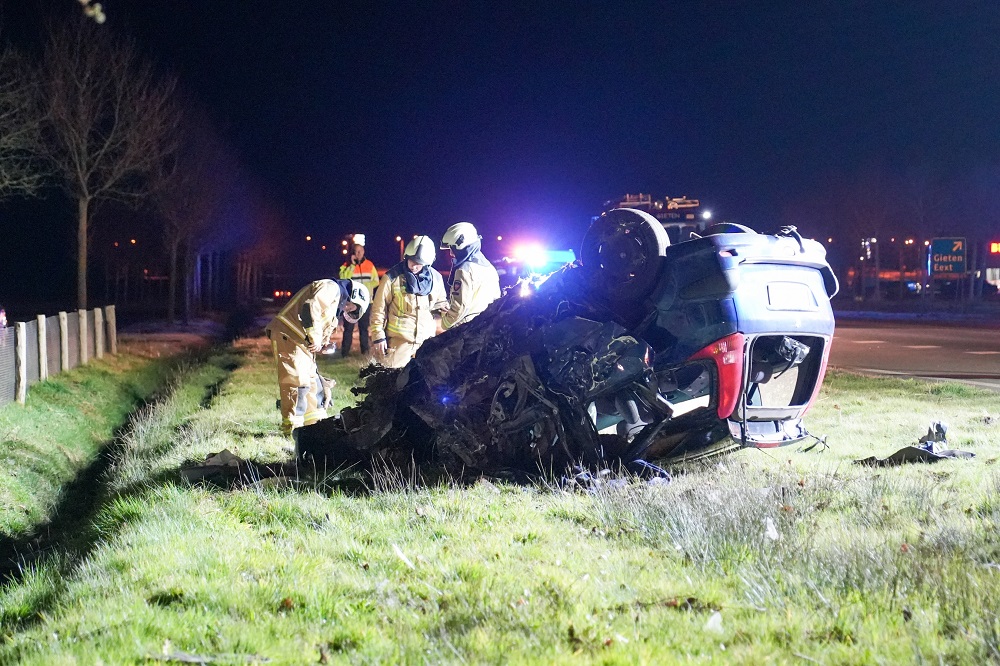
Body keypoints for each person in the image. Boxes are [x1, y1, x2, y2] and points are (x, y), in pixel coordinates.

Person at [264, 279, 370, 436]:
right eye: (351, 307)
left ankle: (315, 428)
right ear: (354, 296)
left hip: (300, 341)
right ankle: (292, 430)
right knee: (297, 383)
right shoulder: (331, 288)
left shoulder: (335, 302)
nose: (347, 309)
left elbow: (317, 322)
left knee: (315, 385)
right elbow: (309, 308)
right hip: (289, 335)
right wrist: (315, 337)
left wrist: (322, 344)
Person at [369, 236, 449, 368]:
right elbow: (379, 308)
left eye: (419, 263)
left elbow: (440, 302)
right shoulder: (392, 278)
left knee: (423, 385)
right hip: (399, 344)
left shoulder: (436, 278)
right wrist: (378, 335)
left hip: (426, 343)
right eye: (412, 260)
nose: (414, 265)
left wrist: (445, 309)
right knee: (394, 384)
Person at [439, 221, 501, 330]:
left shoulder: (464, 270)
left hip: (465, 331)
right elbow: (496, 299)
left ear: (460, 245)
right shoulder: (489, 268)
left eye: (451, 248)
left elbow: (459, 308)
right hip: (485, 328)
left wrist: (444, 323)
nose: (451, 254)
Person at [338, 234, 379, 357]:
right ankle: (344, 353)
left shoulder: (370, 265)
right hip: (350, 303)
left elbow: (376, 281)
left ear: (363, 252)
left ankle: (365, 352)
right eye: (355, 252)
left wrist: (364, 289)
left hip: (365, 303)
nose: (358, 254)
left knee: (364, 329)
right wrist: (352, 266)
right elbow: (342, 278)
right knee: (348, 329)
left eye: (360, 251)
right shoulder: (346, 266)